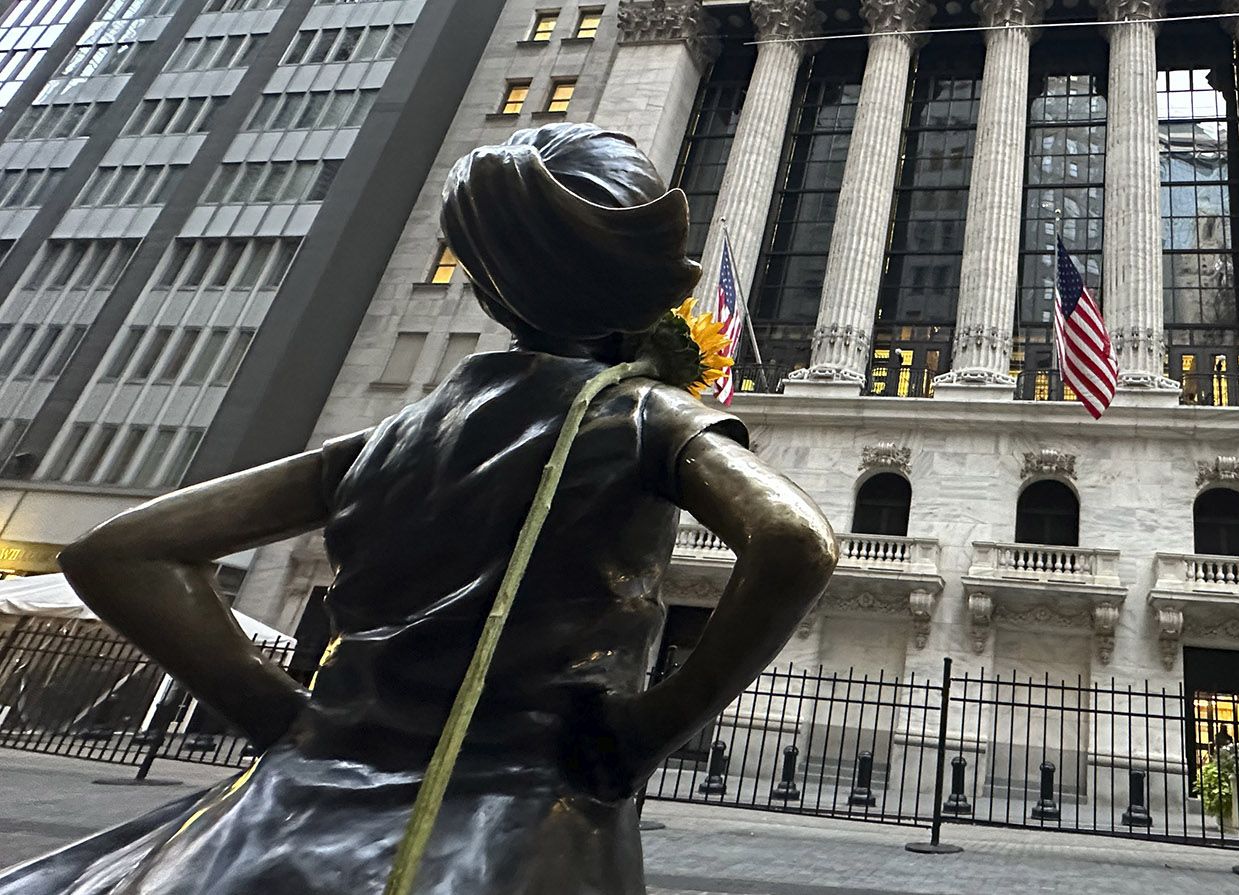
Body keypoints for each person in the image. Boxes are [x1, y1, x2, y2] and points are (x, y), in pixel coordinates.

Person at [0, 123, 838, 895]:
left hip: (277, 821)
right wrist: (651, 728)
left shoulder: (381, 440)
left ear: (483, 291)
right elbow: (795, 538)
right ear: (652, 293)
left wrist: (285, 720)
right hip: (506, 828)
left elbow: (119, 553)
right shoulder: (646, 416)